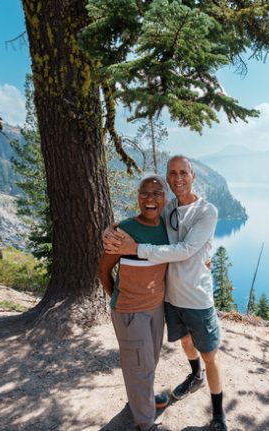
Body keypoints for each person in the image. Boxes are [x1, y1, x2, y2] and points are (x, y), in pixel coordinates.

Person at [103, 155, 227, 431]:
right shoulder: (168, 207)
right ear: (168, 178)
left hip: (197, 299)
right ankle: (193, 378)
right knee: (181, 344)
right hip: (170, 299)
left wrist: (136, 249)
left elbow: (183, 250)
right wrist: (110, 231)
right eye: (173, 173)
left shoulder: (207, 211)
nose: (178, 178)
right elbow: (144, 217)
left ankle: (218, 415)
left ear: (193, 176)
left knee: (209, 355)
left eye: (184, 172)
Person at [98, 174, 171, 431]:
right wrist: (119, 300)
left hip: (156, 307)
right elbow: (103, 271)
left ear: (165, 198)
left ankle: (143, 399)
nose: (150, 198)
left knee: (149, 360)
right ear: (138, 197)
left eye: (157, 193)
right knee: (138, 365)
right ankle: (146, 423)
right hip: (130, 311)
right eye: (145, 193)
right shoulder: (124, 230)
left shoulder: (168, 229)